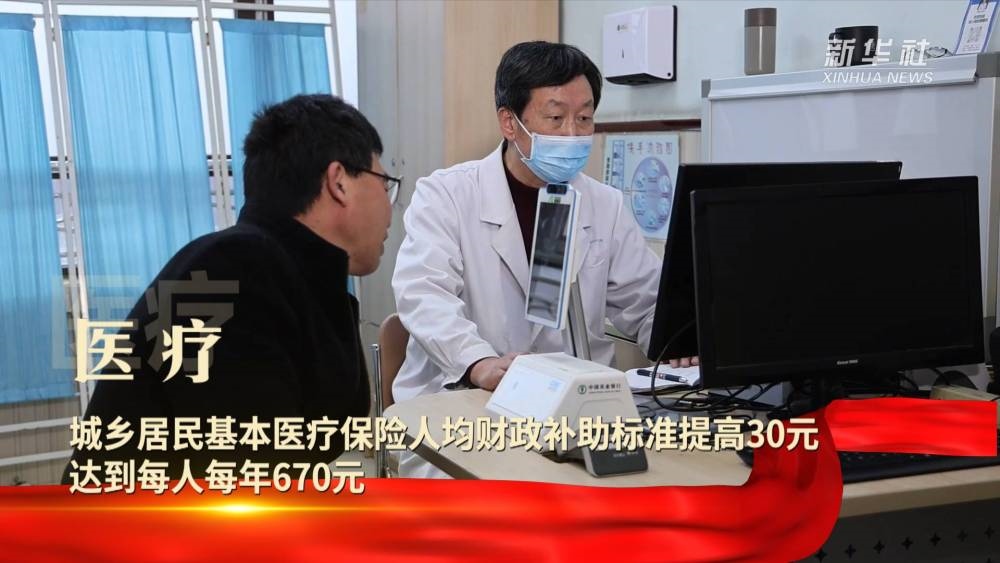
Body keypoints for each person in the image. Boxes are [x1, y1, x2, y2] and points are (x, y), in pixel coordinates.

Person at [63, 94, 395, 484]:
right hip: (138, 520)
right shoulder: (233, 273)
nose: (391, 207)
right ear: (339, 182)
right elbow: (252, 481)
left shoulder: (294, 274)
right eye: (384, 183)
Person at [392, 41, 688, 478]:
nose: (573, 134)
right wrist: (478, 363)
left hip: (579, 418)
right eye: (555, 118)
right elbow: (424, 295)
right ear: (509, 122)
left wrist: (680, 343)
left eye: (584, 118)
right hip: (466, 411)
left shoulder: (603, 204)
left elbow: (647, 302)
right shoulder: (447, 195)